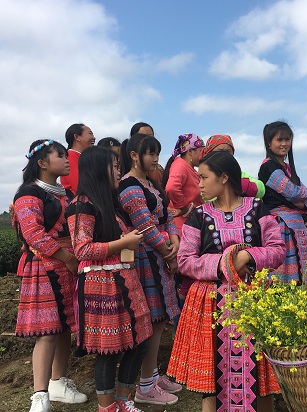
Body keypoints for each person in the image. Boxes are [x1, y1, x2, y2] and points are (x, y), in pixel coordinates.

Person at [167, 151, 286, 412]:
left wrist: (247, 255)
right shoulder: (199, 215)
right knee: (213, 380)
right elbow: (186, 260)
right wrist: (225, 263)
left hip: (254, 303)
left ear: (223, 178)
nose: (199, 184)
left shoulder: (257, 208)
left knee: (260, 379)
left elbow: (278, 249)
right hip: (211, 304)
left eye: (204, 177)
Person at [67, 146, 152, 412]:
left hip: (125, 281)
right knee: (109, 349)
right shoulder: (82, 204)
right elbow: (82, 249)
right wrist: (123, 241)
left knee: (140, 340)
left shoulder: (111, 205)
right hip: (100, 286)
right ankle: (107, 407)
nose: (118, 170)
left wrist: (127, 240)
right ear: (97, 169)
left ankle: (123, 399)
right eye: (114, 165)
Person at [12, 139, 87, 412]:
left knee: (66, 327)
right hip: (45, 267)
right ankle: (40, 395)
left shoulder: (63, 194)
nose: (67, 160)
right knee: (47, 331)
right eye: (60, 155)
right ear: (42, 163)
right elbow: (33, 234)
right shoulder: (28, 194)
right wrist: (67, 257)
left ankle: (58, 382)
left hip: (67, 267)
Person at [118, 133, 181, 406]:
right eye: (150, 153)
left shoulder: (150, 184)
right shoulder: (130, 187)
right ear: (134, 156)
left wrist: (174, 240)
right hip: (144, 258)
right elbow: (144, 226)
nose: (156, 158)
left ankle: (152, 375)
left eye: (157, 153)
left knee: (159, 320)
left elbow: (166, 219)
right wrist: (168, 250)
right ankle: (145, 385)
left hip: (157, 255)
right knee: (152, 320)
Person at [258, 120, 307, 283]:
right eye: (279, 140)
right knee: (283, 276)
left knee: (300, 276)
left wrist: (303, 199)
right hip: (281, 226)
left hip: (296, 226)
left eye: (287, 139)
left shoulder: (288, 168)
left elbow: (302, 199)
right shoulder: (268, 167)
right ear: (269, 143)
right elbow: (293, 192)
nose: (284, 144)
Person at [162, 133, 205, 234]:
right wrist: (183, 208)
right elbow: (171, 187)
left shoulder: (189, 168)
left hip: (188, 225)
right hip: (181, 228)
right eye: (201, 151)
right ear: (190, 151)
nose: (204, 155)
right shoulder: (180, 166)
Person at [199, 134, 265, 198]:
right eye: (219, 152)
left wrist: (239, 184)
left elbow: (261, 189)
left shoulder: (239, 174)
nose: (224, 155)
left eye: (228, 151)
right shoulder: (202, 176)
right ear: (209, 155)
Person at [60, 123, 95, 193]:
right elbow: (81, 187)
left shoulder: (83, 157)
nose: (94, 138)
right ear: (77, 137)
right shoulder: (70, 157)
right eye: (90, 134)